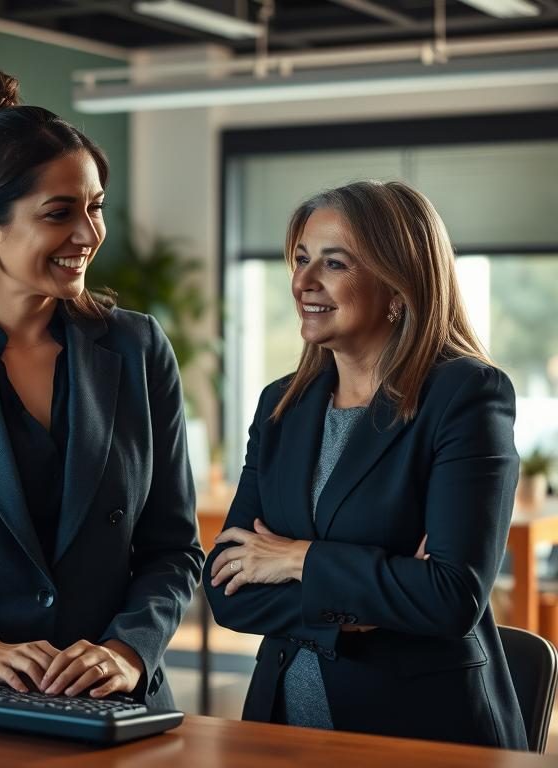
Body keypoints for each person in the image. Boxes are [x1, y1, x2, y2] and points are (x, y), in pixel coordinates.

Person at [0, 69, 203, 708]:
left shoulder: (138, 350)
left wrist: (128, 651)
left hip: (117, 704)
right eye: (59, 213)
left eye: (95, 206)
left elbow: (173, 549)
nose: (87, 235)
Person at [204, 180, 528, 749]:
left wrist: (296, 558)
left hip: (419, 735)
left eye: (334, 263)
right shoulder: (282, 406)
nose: (303, 282)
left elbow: (450, 596)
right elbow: (227, 586)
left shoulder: (465, 395)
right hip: (283, 731)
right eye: (301, 259)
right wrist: (361, 602)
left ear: (398, 287)